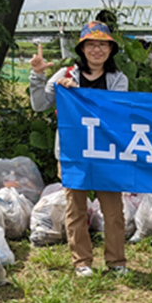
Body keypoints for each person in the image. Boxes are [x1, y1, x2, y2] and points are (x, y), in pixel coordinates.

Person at [29, 21, 129, 277]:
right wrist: (39, 76)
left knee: (114, 210)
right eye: (91, 45)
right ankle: (81, 262)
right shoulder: (65, 75)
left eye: (103, 45)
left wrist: (80, 95)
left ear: (110, 49)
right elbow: (39, 104)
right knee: (76, 209)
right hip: (73, 154)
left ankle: (117, 261)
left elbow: (116, 113)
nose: (97, 50)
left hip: (107, 155)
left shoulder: (118, 80)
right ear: (82, 49)